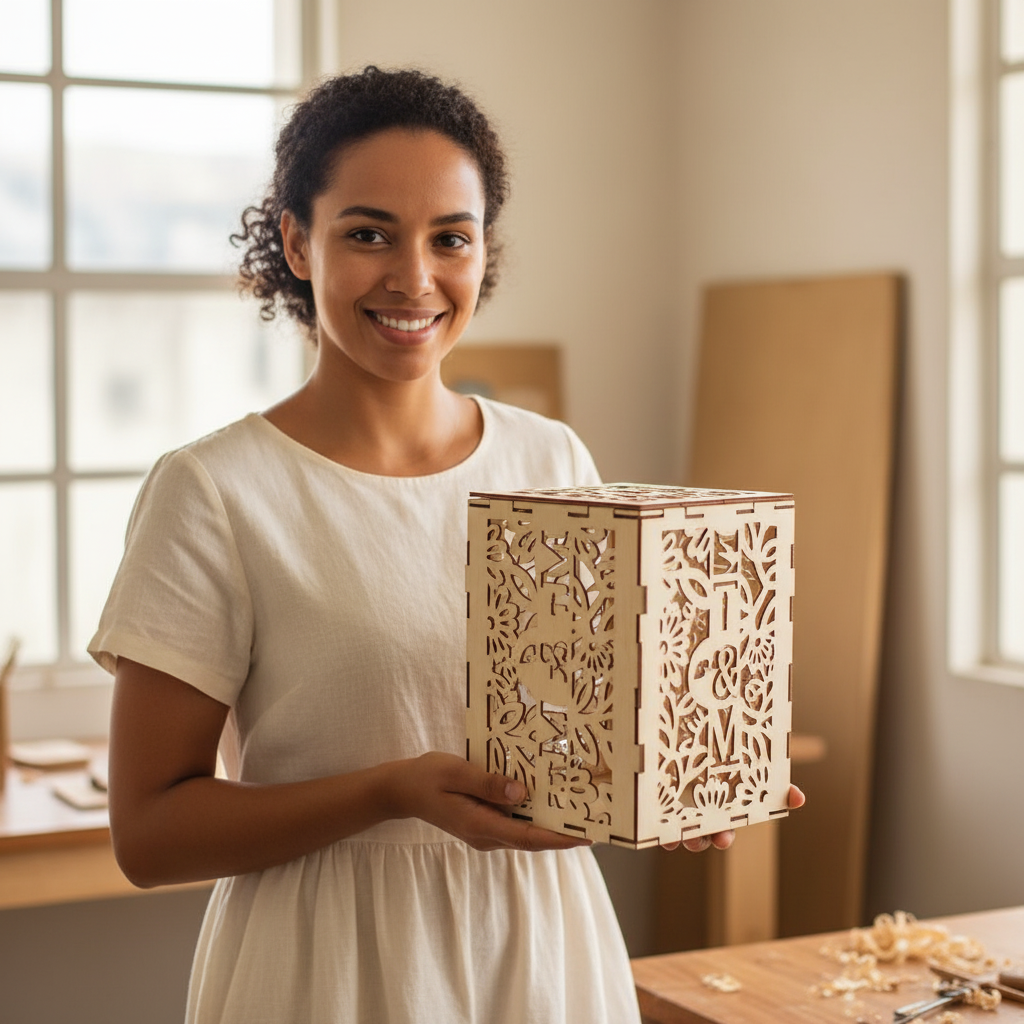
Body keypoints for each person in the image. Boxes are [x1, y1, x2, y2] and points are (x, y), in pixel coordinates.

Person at [90, 66, 804, 1024]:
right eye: (368, 233)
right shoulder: (216, 492)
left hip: (543, 952)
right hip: (327, 970)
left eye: (450, 239)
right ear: (299, 243)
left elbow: (584, 727)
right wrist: (392, 791)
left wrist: (667, 783)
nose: (414, 278)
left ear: (483, 253)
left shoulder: (550, 458)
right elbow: (148, 834)